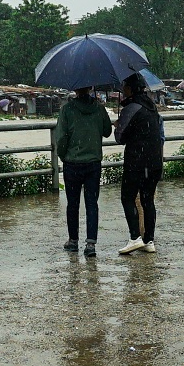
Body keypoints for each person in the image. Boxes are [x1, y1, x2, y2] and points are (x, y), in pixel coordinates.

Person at [55, 87, 112, 257]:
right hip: (93, 163)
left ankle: (73, 241)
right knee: (92, 203)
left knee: (72, 204)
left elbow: (61, 138)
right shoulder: (99, 108)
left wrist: (64, 155)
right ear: (91, 89)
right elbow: (108, 132)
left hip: (72, 163)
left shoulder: (67, 110)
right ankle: (91, 244)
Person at [115, 72, 163, 254]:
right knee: (147, 200)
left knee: (127, 197)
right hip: (154, 162)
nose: (122, 89)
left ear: (130, 89)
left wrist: (118, 125)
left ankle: (134, 237)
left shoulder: (131, 108)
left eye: (125, 86)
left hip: (136, 162)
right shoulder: (151, 107)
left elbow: (120, 138)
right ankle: (149, 240)